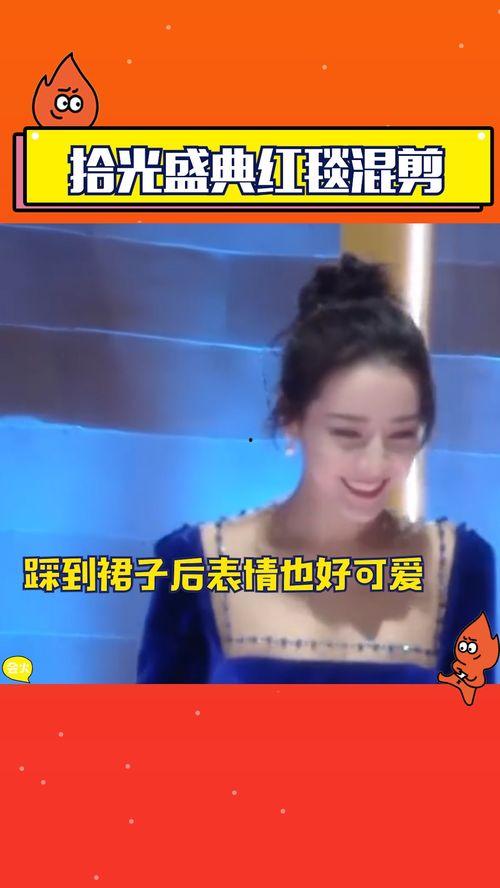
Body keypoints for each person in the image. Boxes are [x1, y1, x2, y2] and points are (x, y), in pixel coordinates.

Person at [137, 253, 497, 684]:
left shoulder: (459, 567)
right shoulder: (195, 563)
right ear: (292, 418)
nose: (375, 463)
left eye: (402, 434)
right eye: (348, 434)